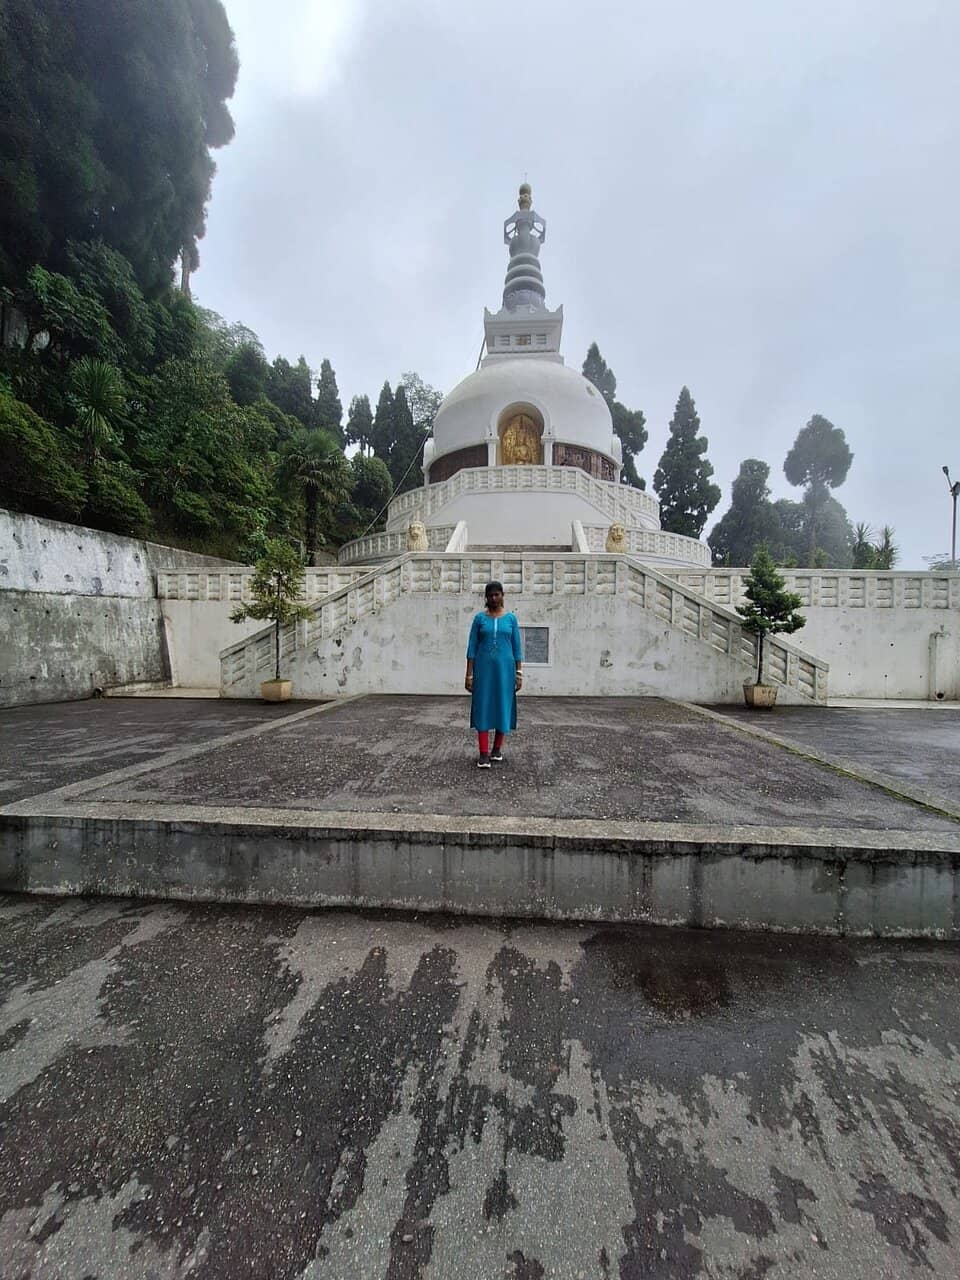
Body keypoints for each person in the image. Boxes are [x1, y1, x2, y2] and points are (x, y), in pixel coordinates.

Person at [465, 581, 523, 768]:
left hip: (505, 671)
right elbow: (471, 648)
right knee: (482, 706)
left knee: (502, 706)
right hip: (483, 670)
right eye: (490, 595)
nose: (494, 598)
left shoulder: (511, 619)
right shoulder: (479, 619)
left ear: (502, 595)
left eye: (497, 594)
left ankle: (496, 749)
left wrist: (519, 673)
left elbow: (517, 648)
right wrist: (469, 675)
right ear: (486, 598)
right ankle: (483, 753)